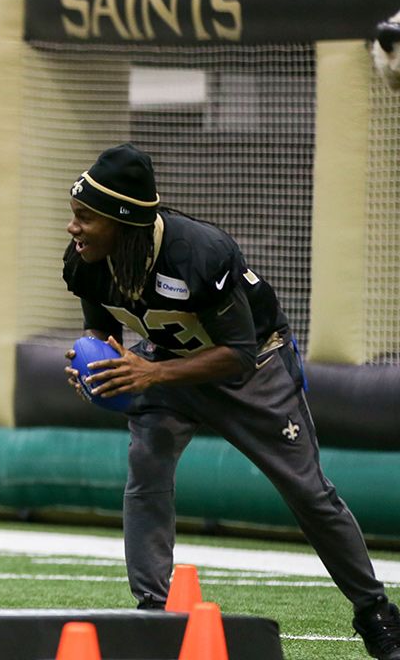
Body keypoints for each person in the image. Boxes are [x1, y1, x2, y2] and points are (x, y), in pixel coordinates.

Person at [60, 143, 400, 660]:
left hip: (253, 370)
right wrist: (96, 364)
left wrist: (151, 372)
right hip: (168, 361)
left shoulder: (200, 253)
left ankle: (375, 611)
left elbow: (238, 354)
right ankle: (152, 611)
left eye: (85, 216)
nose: (73, 227)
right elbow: (103, 331)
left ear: (122, 220)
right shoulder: (86, 263)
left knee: (308, 493)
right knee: (146, 467)